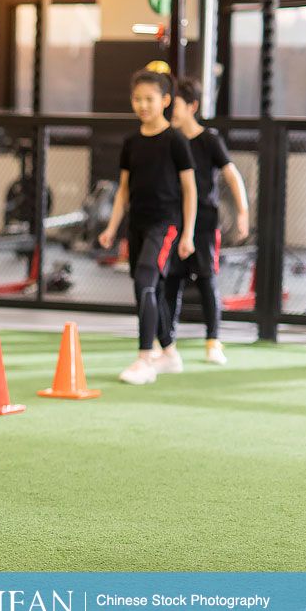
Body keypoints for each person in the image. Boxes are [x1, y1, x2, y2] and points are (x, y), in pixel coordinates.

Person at [99, 69, 196, 386]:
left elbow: (190, 190)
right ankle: (169, 352)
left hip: (165, 224)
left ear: (165, 101)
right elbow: (123, 189)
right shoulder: (131, 142)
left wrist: (189, 233)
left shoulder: (176, 141)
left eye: (149, 99)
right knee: (145, 289)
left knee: (145, 281)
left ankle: (145, 358)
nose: (142, 105)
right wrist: (112, 227)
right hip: (137, 225)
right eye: (137, 99)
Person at [156, 77, 250, 367]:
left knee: (208, 279)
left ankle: (213, 342)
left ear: (193, 106)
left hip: (206, 223)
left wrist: (242, 212)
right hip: (176, 221)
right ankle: (166, 345)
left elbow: (232, 175)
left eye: (178, 103)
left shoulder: (209, 140)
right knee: (171, 282)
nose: (171, 108)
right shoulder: (170, 140)